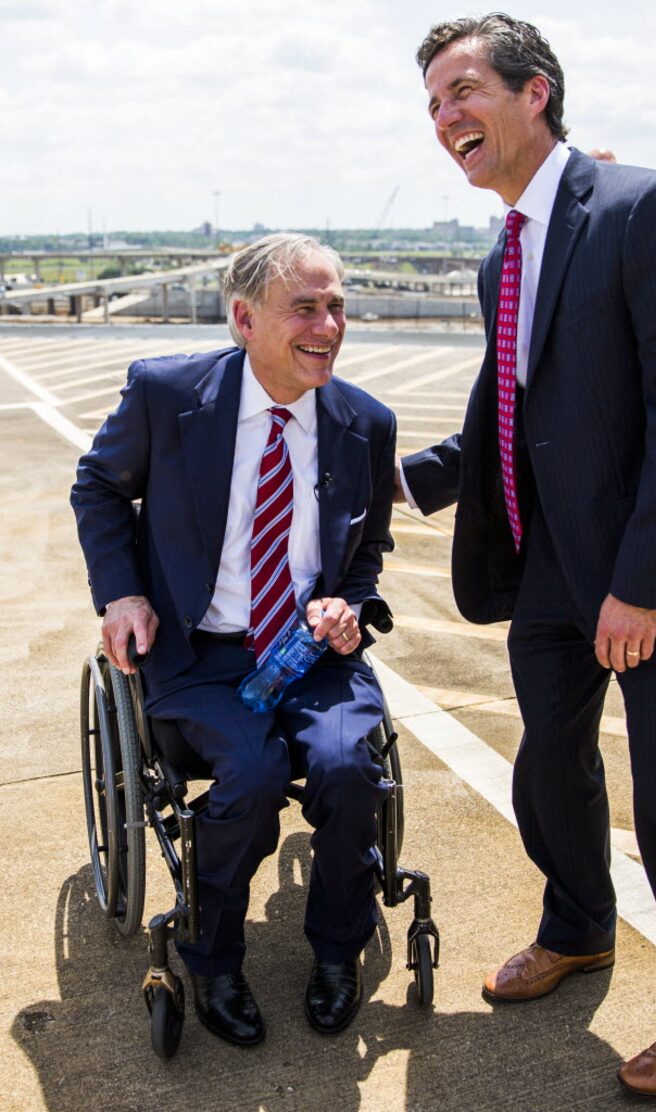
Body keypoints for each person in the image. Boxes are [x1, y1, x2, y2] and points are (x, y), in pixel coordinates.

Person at [398, 14, 656, 1099]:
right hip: (553, 562)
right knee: (547, 764)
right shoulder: (501, 251)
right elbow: (514, 416)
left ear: (535, 93)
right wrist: (408, 477)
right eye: (430, 103)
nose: (444, 117)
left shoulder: (644, 206)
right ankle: (576, 922)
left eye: (461, 89)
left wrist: (640, 585)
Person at [71, 233, 397, 1045]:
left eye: (337, 307)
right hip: (202, 649)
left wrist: (346, 607)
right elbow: (99, 487)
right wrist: (122, 593)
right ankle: (211, 959)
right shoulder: (167, 395)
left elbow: (367, 556)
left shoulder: (364, 422)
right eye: (306, 308)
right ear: (245, 318)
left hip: (310, 650)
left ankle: (334, 951)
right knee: (247, 779)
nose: (328, 324)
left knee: (351, 766)